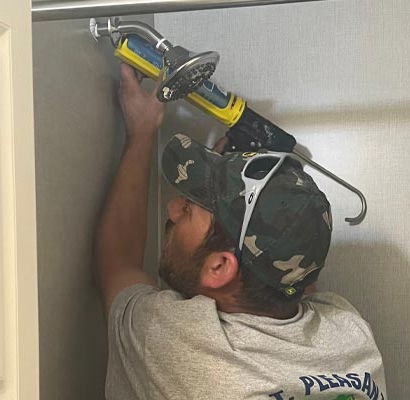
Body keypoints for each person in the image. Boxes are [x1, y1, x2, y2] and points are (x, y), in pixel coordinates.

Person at [95, 63, 387, 400]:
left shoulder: (174, 340)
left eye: (189, 209)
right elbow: (298, 285)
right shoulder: (349, 331)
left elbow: (117, 262)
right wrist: (231, 182)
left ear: (219, 267)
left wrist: (142, 130)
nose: (173, 208)